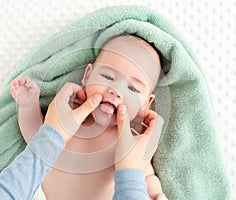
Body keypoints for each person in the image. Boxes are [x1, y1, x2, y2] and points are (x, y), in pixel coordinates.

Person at [10, 35, 167, 200]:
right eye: (108, 77)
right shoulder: (69, 116)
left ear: (146, 104)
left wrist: (156, 193)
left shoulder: (131, 142)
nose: (115, 90)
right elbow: (37, 138)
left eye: (133, 88)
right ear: (87, 75)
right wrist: (28, 105)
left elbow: (144, 174)